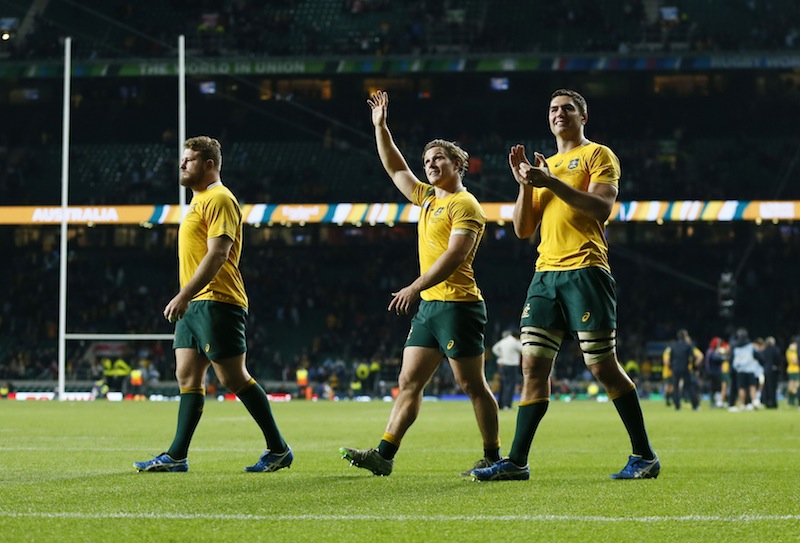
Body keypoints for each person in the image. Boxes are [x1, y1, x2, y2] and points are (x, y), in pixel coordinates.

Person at [471, 89, 659, 481]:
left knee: (601, 365)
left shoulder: (598, 155)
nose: (559, 114)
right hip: (545, 275)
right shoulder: (547, 166)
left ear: (583, 116)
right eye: (553, 109)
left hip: (586, 270)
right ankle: (517, 462)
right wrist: (525, 184)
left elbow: (601, 207)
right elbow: (523, 230)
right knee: (532, 368)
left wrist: (551, 182)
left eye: (567, 108)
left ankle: (644, 455)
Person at [340, 91, 500, 476]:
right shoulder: (428, 198)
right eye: (426, 160)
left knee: (471, 384)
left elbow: (455, 256)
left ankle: (494, 456)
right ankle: (384, 454)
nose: (429, 165)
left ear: (459, 163)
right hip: (431, 307)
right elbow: (396, 169)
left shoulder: (466, 205)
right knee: (408, 380)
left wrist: (413, 286)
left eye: (438, 158)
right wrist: (381, 128)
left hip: (458, 305)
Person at [134, 136, 292, 473]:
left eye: (189, 159)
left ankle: (278, 449)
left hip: (217, 299)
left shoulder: (219, 198)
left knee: (233, 378)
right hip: (196, 304)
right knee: (186, 374)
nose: (182, 164)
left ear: (209, 164)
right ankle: (176, 456)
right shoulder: (200, 200)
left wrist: (184, 295)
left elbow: (218, 254)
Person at [663, 329, 703, 411]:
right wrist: (695, 368)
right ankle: (695, 405)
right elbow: (692, 357)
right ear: (685, 336)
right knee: (689, 387)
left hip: (675, 369)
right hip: (685, 368)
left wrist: (672, 367)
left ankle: (677, 406)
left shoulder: (673, 346)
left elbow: (670, 359)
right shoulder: (688, 346)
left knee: (676, 387)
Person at [728, 327, 762, 411]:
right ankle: (753, 402)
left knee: (741, 387)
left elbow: (732, 358)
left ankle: (743, 404)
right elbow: (757, 356)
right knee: (752, 386)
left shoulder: (735, 346)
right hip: (750, 369)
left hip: (740, 369)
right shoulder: (750, 345)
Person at [492, 330, 523, 410]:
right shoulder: (515, 342)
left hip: (503, 364)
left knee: (503, 384)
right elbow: (523, 349)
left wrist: (502, 356)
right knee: (510, 385)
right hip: (512, 365)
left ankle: (500, 404)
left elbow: (494, 349)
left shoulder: (503, 341)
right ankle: (507, 405)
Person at [704, 336, 728, 408]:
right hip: (714, 372)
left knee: (715, 388)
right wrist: (723, 356)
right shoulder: (712, 351)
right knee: (716, 388)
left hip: (712, 372)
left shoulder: (710, 351)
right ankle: (716, 402)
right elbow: (717, 359)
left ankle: (716, 402)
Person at [786, 337, 799, 407]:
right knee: (794, 386)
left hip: (793, 370)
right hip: (794, 370)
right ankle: (791, 400)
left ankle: (791, 401)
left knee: (793, 386)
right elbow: (794, 360)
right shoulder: (792, 350)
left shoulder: (791, 350)